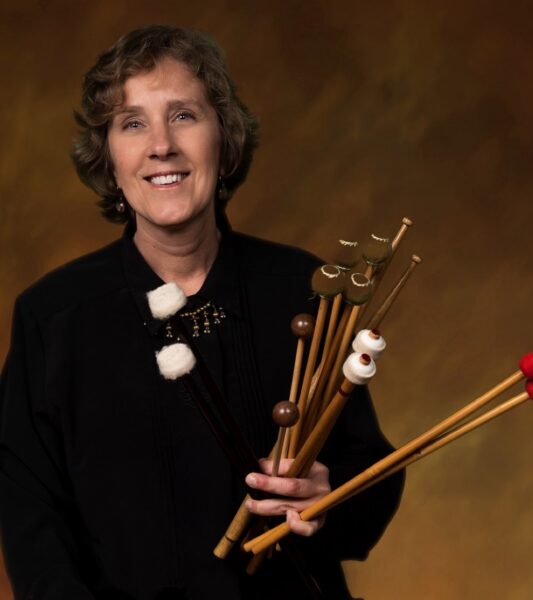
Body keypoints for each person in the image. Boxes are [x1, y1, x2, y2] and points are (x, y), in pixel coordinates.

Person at [0, 25, 404, 599]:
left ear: (224, 136)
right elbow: (30, 518)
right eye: (132, 123)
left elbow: (370, 472)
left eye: (184, 115)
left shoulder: (304, 289)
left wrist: (330, 498)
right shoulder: (52, 318)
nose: (161, 145)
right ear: (109, 159)